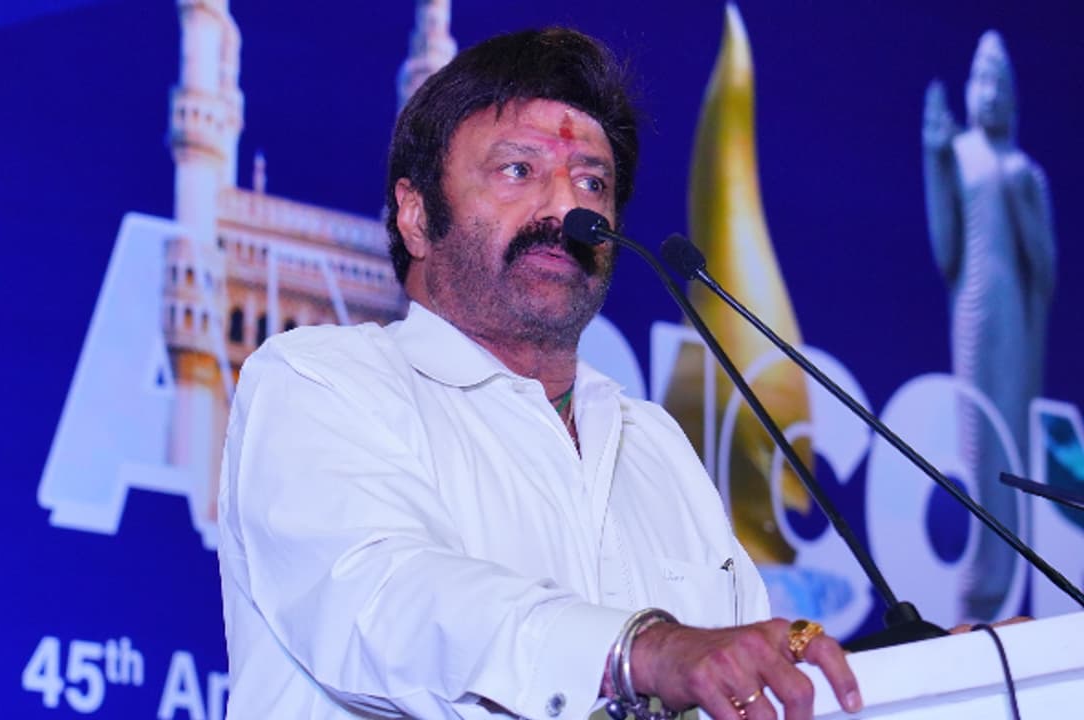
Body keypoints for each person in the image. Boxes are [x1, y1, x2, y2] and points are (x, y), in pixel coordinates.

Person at [218, 27, 861, 720]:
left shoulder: (657, 449)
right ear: (415, 215)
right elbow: (383, 603)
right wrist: (639, 650)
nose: (566, 209)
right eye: (518, 171)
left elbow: (743, 686)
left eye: (592, 182)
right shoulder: (320, 381)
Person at [922, 30, 1056, 621]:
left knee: (1009, 441)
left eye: (1000, 84)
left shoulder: (1026, 172)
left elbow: (1045, 269)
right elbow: (947, 246)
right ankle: (978, 583)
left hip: (1014, 321)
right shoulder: (961, 156)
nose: (990, 94)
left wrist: (1023, 203)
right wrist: (933, 159)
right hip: (975, 309)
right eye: (982, 81)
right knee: (977, 442)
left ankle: (1008, 578)